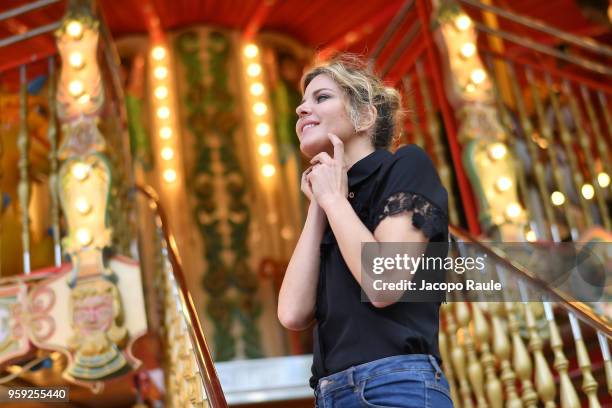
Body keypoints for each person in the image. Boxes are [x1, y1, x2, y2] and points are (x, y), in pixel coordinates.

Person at [277, 54, 452, 408]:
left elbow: (384, 284)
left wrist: (332, 200)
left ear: (366, 115)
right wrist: (319, 204)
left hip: (396, 384)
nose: (301, 109)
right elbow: (292, 314)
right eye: (302, 102)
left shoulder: (406, 166)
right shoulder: (330, 202)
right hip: (329, 394)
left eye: (321, 97)